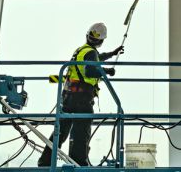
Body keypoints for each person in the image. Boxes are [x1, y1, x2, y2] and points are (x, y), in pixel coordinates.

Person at [38, 22, 124, 167]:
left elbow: (96, 58)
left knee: (60, 132)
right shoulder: (91, 53)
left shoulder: (82, 50)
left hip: (68, 97)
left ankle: (45, 161)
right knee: (81, 132)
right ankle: (79, 164)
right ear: (101, 41)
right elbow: (90, 71)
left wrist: (112, 53)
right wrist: (107, 71)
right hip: (82, 99)